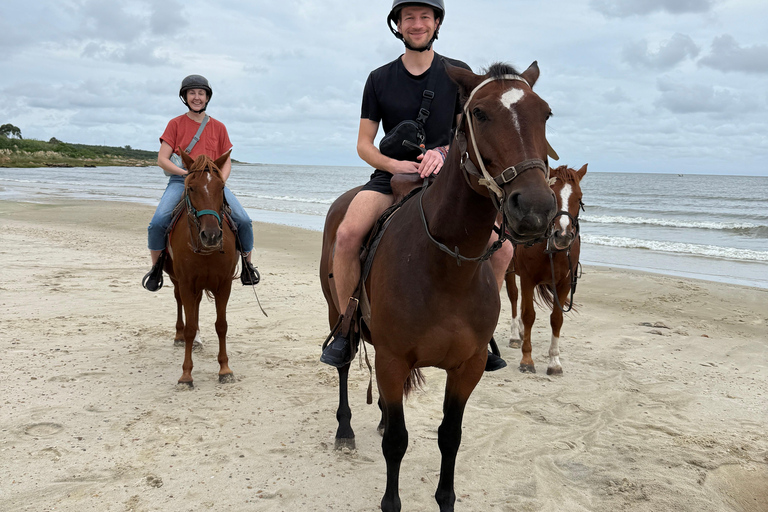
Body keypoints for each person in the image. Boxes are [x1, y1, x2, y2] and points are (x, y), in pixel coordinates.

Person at [320, 0, 513, 370]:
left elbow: (468, 132)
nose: (417, 23)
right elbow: (363, 144)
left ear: (437, 22)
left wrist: (442, 151)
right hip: (390, 179)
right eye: (409, 17)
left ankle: (483, 330)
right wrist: (394, 165)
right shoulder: (379, 79)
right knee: (345, 236)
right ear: (398, 25)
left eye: (425, 16)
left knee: (502, 250)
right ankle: (346, 329)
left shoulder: (458, 74)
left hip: (449, 180)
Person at [142, 74, 259, 292]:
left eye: (201, 93)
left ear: (207, 97)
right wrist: (185, 173)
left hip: (212, 184)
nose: (197, 97)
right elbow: (162, 159)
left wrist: (219, 182)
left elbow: (227, 161)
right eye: (192, 93)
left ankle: (247, 266)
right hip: (182, 181)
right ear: (185, 97)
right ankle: (156, 268)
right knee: (157, 222)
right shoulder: (175, 124)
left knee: (244, 220)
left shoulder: (219, 127)